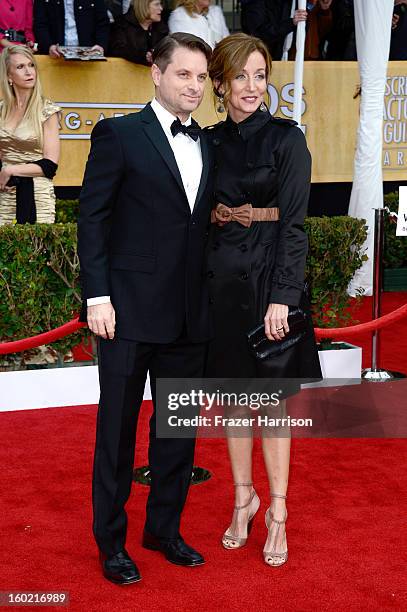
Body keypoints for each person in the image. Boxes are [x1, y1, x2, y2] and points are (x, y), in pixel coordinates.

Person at [78, 32, 213, 585]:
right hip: (128, 313)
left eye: (202, 78)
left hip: (189, 315)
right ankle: (111, 542)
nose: (194, 87)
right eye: (184, 75)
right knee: (117, 432)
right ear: (156, 74)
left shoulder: (209, 143)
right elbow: (93, 220)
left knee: (177, 431)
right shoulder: (119, 134)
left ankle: (163, 529)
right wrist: (98, 296)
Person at [206, 33, 321, 566]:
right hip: (222, 287)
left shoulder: (286, 140)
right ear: (221, 83)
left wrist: (282, 298)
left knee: (271, 403)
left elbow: (295, 227)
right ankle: (241, 498)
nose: (252, 86)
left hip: (270, 285)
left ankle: (277, 510)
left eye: (259, 75)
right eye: (241, 76)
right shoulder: (207, 142)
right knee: (233, 400)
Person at [0, 45, 60, 224]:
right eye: (20, 67)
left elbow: (50, 165)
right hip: (4, 194)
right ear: (9, 76)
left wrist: (11, 169)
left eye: (31, 65)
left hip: (37, 196)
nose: (28, 72)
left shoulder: (47, 110)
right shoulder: (1, 110)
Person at [33, 0, 110, 57]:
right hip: (56, 57)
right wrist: (49, 46)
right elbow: (40, 24)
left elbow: (103, 23)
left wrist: (101, 45)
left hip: (89, 56)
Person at [240, 0, 307, 59]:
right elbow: (259, 33)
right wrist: (291, 23)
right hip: (260, 56)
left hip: (280, 55)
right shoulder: (255, 3)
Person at [109, 0, 168, 65]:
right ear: (144, 6)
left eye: (160, 4)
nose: (161, 8)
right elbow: (118, 51)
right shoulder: (122, 25)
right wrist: (144, 55)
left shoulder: (161, 28)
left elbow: (168, 53)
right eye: (156, 4)